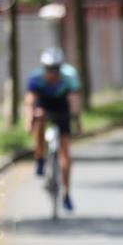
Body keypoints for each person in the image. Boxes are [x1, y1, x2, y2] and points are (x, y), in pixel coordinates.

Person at [25, 47, 81, 211]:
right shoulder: (36, 78)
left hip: (61, 107)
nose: (52, 73)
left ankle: (66, 194)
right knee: (40, 119)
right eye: (49, 69)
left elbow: (75, 100)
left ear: (60, 67)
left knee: (65, 154)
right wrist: (29, 120)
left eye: (55, 68)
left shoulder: (70, 77)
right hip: (44, 105)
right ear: (43, 67)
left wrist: (77, 121)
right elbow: (30, 100)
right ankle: (40, 157)